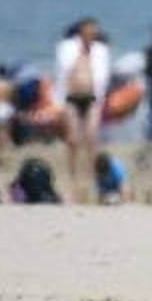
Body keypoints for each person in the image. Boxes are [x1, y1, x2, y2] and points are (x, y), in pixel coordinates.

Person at [55, 18, 110, 201]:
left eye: (94, 30)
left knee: (92, 138)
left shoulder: (101, 50)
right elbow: (64, 69)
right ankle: (72, 179)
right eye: (88, 30)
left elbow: (103, 75)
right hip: (72, 97)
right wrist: (81, 50)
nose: (91, 33)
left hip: (92, 98)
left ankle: (94, 181)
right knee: (72, 140)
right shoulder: (68, 48)